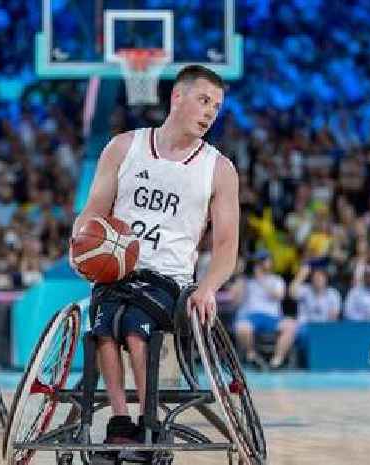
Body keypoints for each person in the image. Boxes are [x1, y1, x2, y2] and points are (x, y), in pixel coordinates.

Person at [70, 65, 239, 452]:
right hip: (118, 269)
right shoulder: (124, 147)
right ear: (176, 98)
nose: (210, 112)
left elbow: (227, 246)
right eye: (203, 100)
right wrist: (78, 244)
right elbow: (94, 210)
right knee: (103, 328)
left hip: (170, 280)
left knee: (133, 325)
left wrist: (209, 287)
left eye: (216, 106)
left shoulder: (219, 169)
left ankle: (150, 420)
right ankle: (120, 419)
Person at [232, 250, 296, 369]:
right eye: (258, 262)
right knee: (241, 328)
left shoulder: (276, 280)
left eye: (263, 261)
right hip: (251, 317)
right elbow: (235, 301)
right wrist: (240, 276)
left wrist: (261, 279)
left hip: (272, 318)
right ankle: (252, 357)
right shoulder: (245, 281)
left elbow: (279, 296)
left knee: (291, 326)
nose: (260, 265)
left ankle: (277, 361)